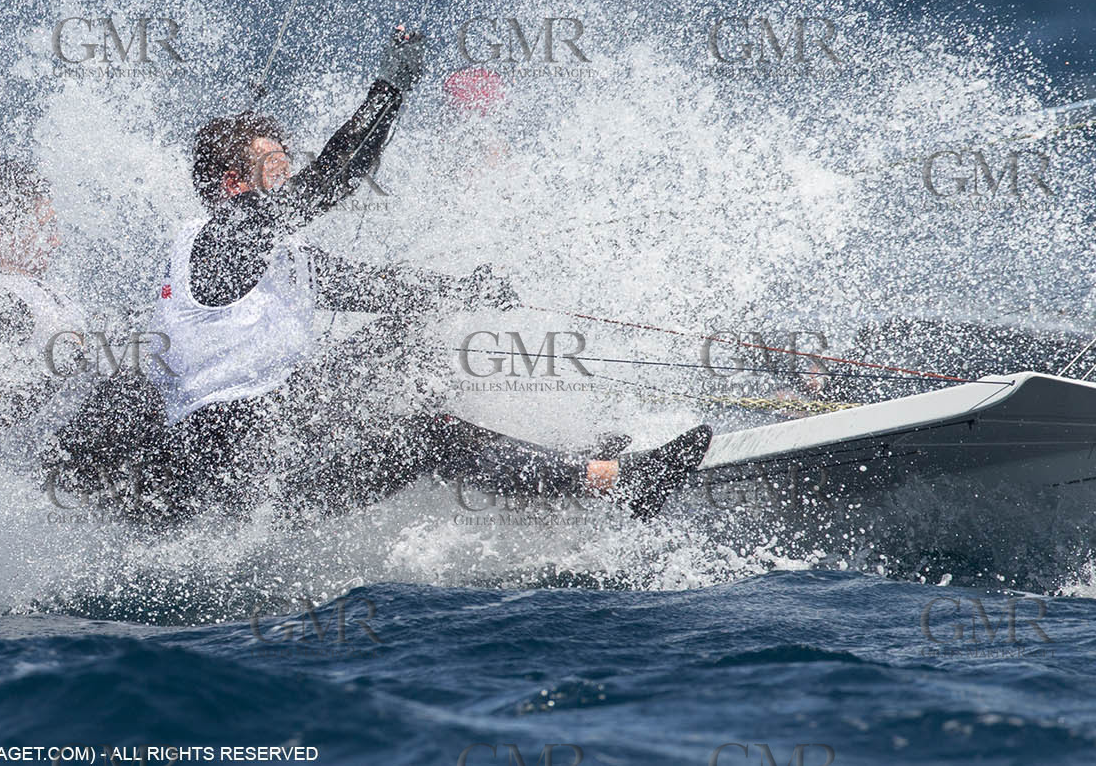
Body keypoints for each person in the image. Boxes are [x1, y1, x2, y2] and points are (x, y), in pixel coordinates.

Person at [148, 26, 712, 521]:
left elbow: (383, 290)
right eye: (276, 166)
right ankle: (615, 485)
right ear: (233, 184)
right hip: (240, 474)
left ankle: (556, 460)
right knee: (430, 434)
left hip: (277, 437)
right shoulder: (223, 236)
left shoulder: (269, 253)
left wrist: (469, 292)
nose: (290, 174)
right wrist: (389, 89)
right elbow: (333, 177)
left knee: (407, 339)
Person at [0, 158, 169, 518]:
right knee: (132, 396)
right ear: (1, 231)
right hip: (53, 461)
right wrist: (70, 361)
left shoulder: (32, 289)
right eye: (45, 228)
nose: (57, 239)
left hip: (86, 436)